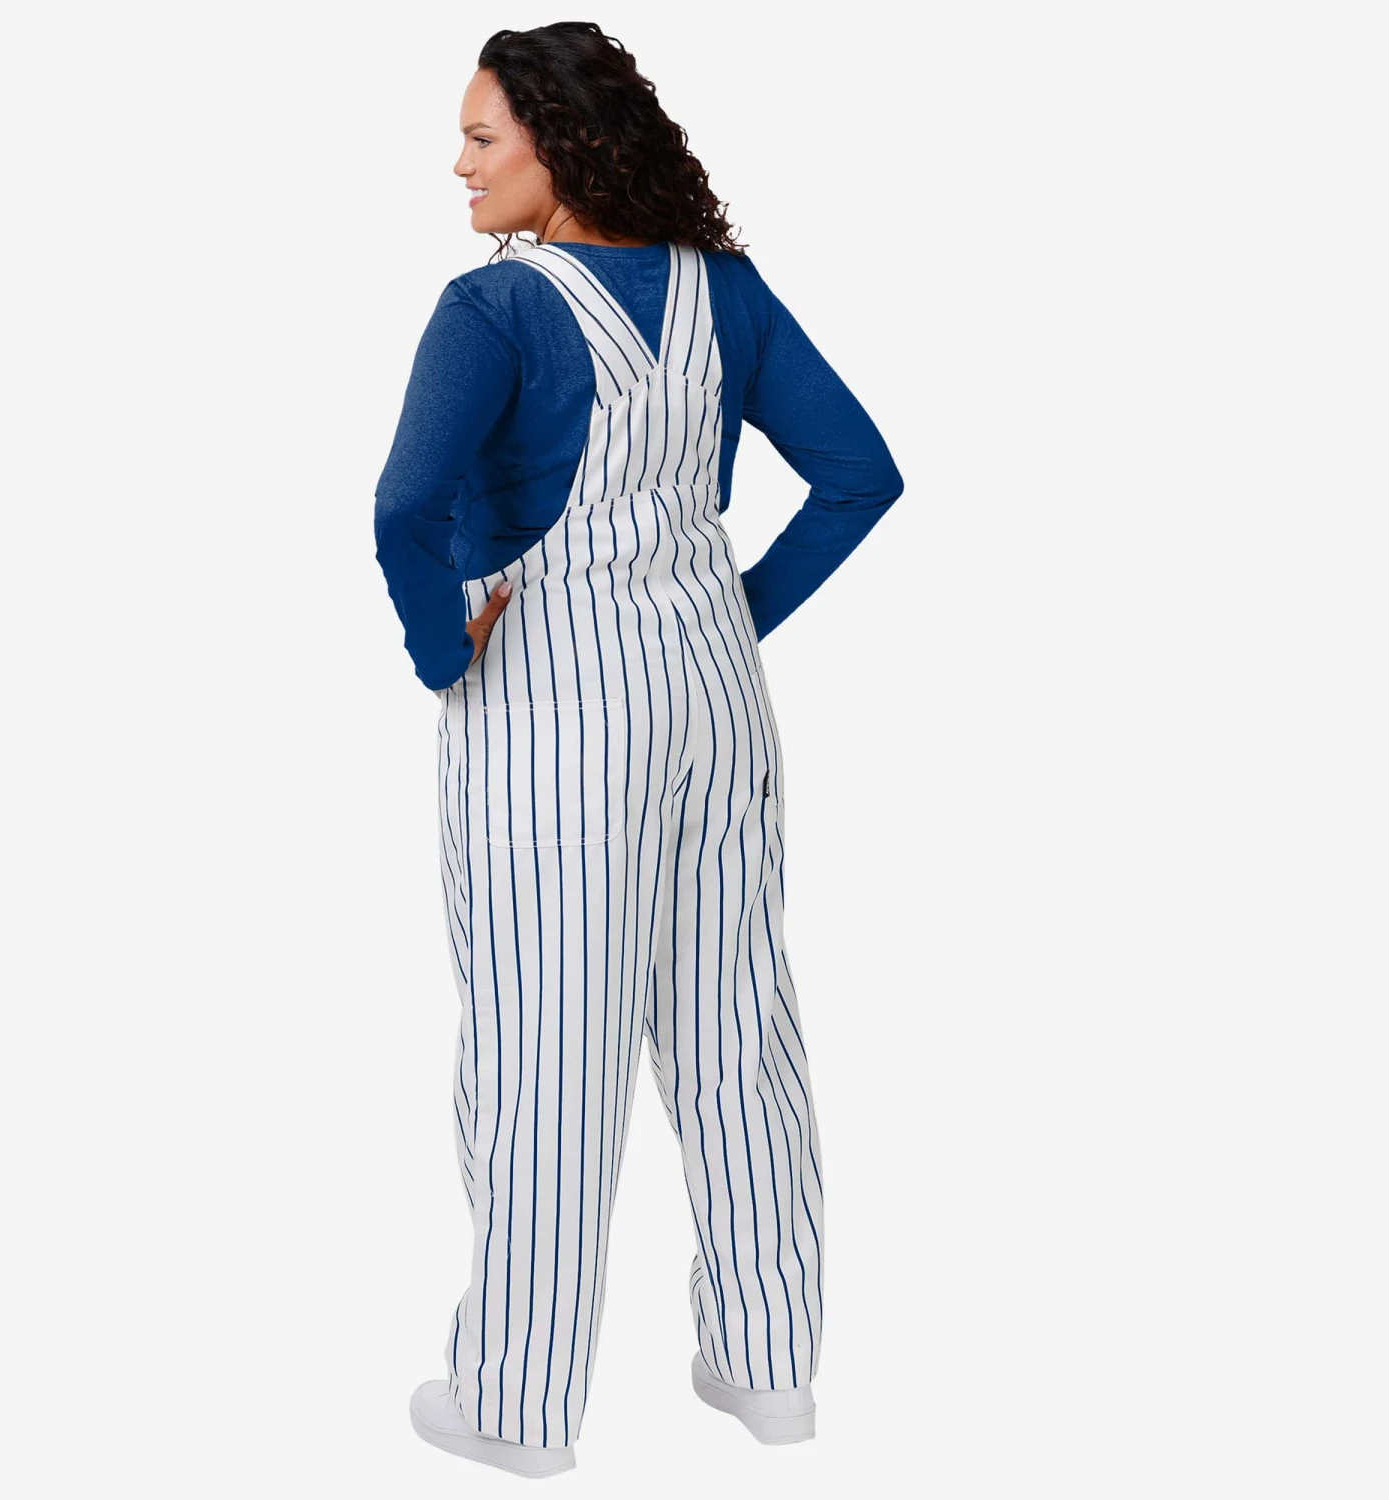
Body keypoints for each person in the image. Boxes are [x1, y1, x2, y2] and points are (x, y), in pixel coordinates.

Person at [373, 22, 904, 1480]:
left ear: (559, 144)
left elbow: (403, 510)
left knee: (548, 1043)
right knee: (736, 1025)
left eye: (483, 137)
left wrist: (442, 653)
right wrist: (734, 616)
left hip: (553, 704)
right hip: (716, 701)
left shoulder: (494, 310)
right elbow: (860, 476)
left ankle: (514, 1403)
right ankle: (769, 1366)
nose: (460, 165)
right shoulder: (722, 291)